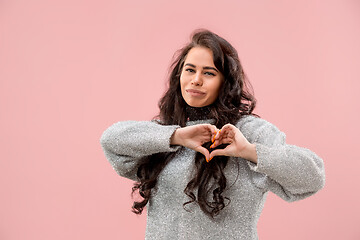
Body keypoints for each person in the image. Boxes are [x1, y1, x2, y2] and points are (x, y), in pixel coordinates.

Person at [100, 29, 325, 240]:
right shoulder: (166, 132)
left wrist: (249, 151)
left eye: (208, 72)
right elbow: (111, 140)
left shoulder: (248, 131)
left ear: (225, 82)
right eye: (190, 70)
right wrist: (177, 136)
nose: (196, 79)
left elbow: (312, 177)